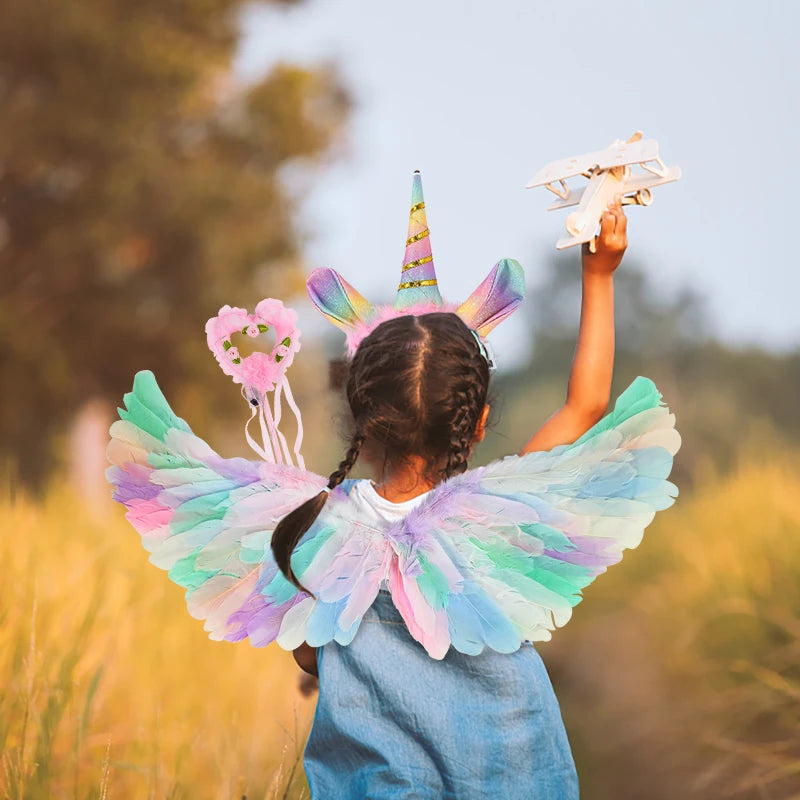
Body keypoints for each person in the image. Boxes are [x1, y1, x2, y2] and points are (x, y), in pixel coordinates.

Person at [106, 173, 679, 800]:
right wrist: (598, 276)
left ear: (360, 417)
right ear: (478, 417)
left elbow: (309, 654)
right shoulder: (498, 514)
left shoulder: (309, 527)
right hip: (515, 779)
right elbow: (586, 405)